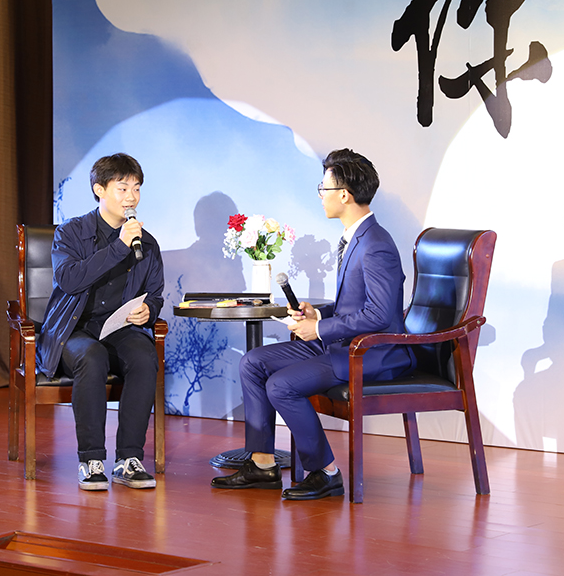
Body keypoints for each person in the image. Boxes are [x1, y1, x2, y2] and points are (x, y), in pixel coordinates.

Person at [211, 148, 414, 500]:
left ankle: (326, 472)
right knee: (253, 362)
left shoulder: (376, 245)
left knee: (281, 386)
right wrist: (317, 315)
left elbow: (380, 315)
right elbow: (355, 304)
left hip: (369, 354)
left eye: (324, 188)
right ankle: (262, 464)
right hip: (339, 344)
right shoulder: (356, 237)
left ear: (344, 195)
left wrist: (319, 330)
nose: (321, 195)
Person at [36, 153, 165, 491]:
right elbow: (69, 280)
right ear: (99, 190)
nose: (131, 197)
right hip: (73, 330)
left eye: (136, 189)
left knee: (144, 357)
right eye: (122, 188)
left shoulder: (147, 243)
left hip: (118, 329)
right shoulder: (71, 232)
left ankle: (128, 459)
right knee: (91, 356)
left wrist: (148, 310)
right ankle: (91, 460)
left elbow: (155, 293)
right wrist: (119, 247)